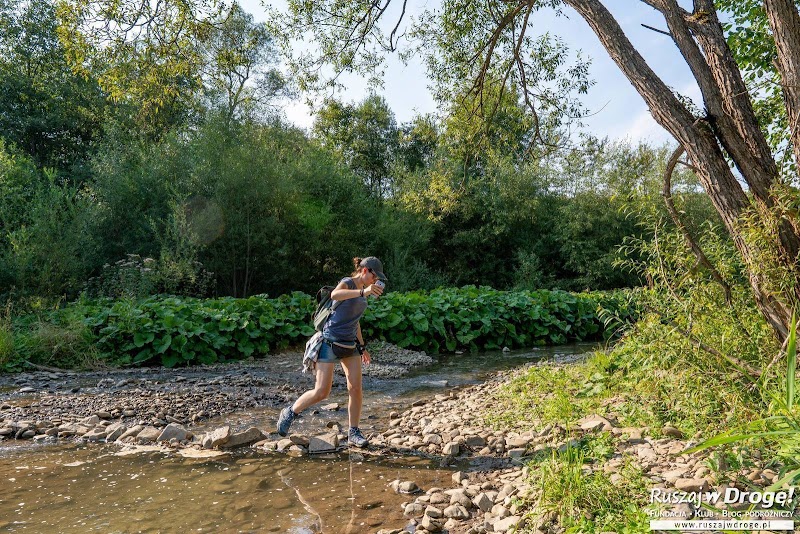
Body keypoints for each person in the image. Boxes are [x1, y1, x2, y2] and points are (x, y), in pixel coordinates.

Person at [277, 256, 387, 447]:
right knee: (322, 392)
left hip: (349, 344)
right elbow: (336, 295)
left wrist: (362, 347)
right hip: (329, 342)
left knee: (355, 388)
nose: (375, 281)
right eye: (374, 276)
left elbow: (355, 321)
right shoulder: (348, 282)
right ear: (365, 271)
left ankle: (354, 431)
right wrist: (363, 291)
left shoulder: (364, 293)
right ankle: (290, 411)